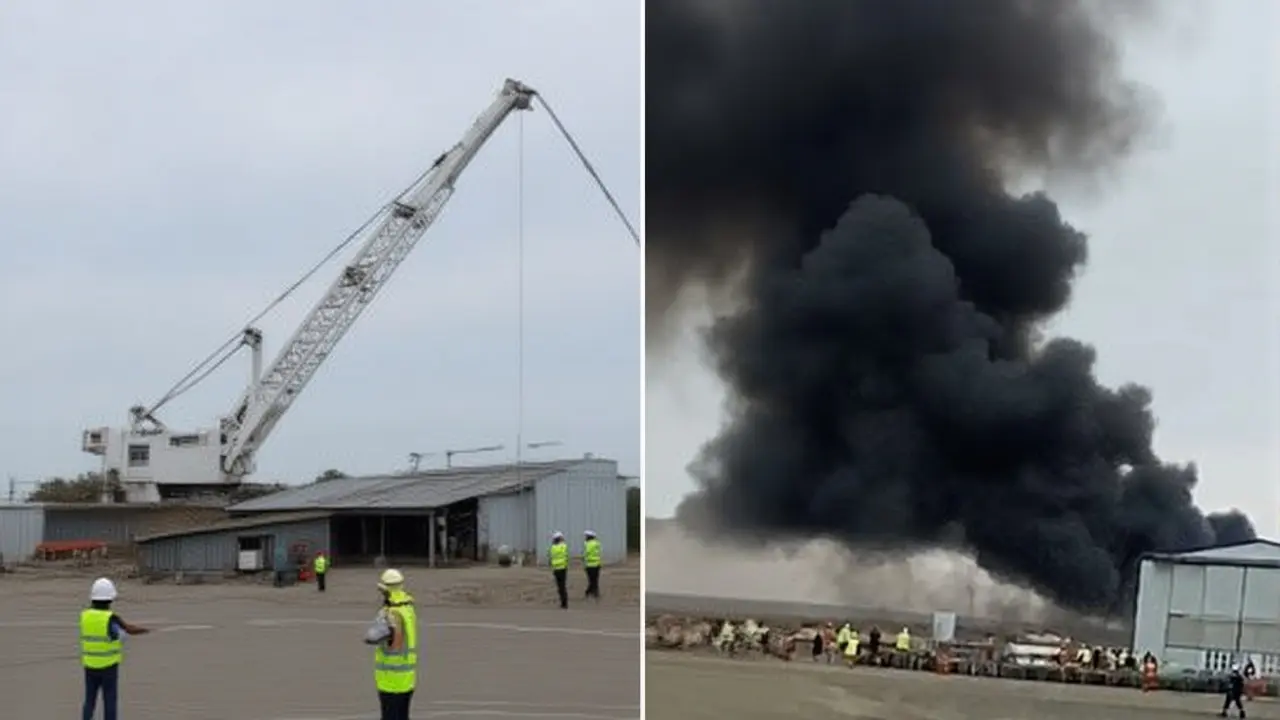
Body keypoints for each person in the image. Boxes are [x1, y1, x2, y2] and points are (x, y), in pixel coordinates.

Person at [81, 577, 150, 720]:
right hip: (109, 667)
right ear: (110, 599)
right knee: (110, 701)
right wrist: (146, 630)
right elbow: (126, 631)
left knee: (89, 701)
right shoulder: (110, 618)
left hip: (89, 666)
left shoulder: (85, 616)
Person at [363, 568, 418, 720]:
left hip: (390, 682)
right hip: (407, 680)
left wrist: (381, 620)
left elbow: (372, 638)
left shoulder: (391, 614)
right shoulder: (408, 609)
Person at [548, 531, 569, 609]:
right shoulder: (564, 546)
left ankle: (562, 602)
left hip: (556, 569)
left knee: (560, 586)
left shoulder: (553, 548)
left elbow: (550, 558)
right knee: (563, 586)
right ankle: (565, 602)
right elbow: (566, 556)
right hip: (563, 568)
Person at [582, 530, 602, 600]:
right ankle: (594, 592)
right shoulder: (597, 543)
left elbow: (585, 554)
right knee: (595, 579)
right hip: (597, 563)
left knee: (591, 579)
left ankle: (590, 592)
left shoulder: (587, 544)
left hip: (589, 564)